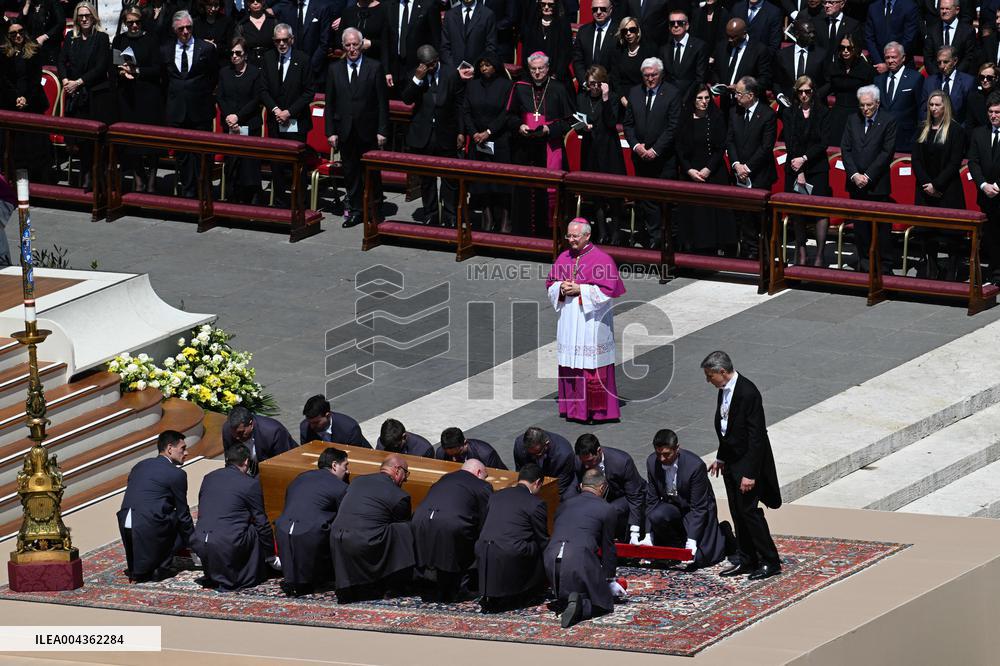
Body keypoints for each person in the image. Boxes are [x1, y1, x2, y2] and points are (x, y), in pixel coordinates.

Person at [702, 351, 782, 581]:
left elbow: (756, 436)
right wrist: (720, 457)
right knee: (738, 512)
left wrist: (750, 474)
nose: (709, 381)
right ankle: (747, 559)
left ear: (723, 372)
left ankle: (770, 560)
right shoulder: (724, 391)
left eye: (710, 376)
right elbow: (728, 429)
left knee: (750, 513)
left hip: (748, 466)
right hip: (731, 463)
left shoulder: (748, 392)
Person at [545, 218, 626, 422]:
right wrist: (560, 287)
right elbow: (550, 283)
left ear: (587, 236)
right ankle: (572, 409)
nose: (571, 240)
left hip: (591, 321)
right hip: (569, 318)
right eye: (569, 236)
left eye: (575, 236)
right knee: (570, 363)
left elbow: (609, 290)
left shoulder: (602, 259)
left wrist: (580, 288)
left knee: (591, 364)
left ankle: (595, 411)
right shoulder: (564, 257)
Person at [641, 429, 734, 570]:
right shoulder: (652, 462)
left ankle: (723, 533)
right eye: (658, 454)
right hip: (672, 505)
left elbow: (699, 508)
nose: (662, 459)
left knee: (701, 559)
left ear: (677, 448)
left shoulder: (695, 466)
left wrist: (692, 541)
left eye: (666, 454)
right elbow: (652, 500)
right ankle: (676, 544)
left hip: (694, 509)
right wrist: (648, 535)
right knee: (656, 515)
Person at [325, 27, 389, 229]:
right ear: (343, 46)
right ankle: (355, 210)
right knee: (351, 173)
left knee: (371, 173)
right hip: (346, 130)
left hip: (368, 130)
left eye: (355, 44)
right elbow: (330, 103)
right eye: (348, 45)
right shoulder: (334, 69)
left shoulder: (375, 67)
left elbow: (382, 102)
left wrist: (382, 130)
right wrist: (331, 132)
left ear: (361, 45)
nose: (352, 49)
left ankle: (375, 210)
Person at [330, 454, 415, 602]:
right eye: (405, 473)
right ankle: (396, 582)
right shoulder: (400, 496)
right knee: (405, 529)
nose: (406, 479)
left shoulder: (357, 481)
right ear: (397, 470)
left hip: (336, 536)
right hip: (364, 540)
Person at [401, 44, 469, 228]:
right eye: (426, 65)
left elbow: (459, 105)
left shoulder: (450, 74)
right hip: (423, 134)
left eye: (432, 64)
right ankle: (430, 213)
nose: (430, 68)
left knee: (449, 177)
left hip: (446, 132)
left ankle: (450, 215)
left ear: (437, 60)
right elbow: (407, 99)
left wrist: (461, 131)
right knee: (427, 178)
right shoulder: (415, 74)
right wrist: (417, 79)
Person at [193, 444, 277, 590]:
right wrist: (270, 555)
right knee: (255, 529)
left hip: (199, 539)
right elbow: (261, 523)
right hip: (226, 542)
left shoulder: (209, 478)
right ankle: (250, 573)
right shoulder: (250, 484)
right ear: (246, 461)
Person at [507, 51, 574, 236]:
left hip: (549, 148)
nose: (537, 72)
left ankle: (548, 236)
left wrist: (549, 130)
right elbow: (509, 116)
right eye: (533, 69)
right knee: (524, 193)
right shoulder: (520, 87)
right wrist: (519, 125)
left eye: (540, 69)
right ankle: (523, 234)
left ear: (547, 68)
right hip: (524, 149)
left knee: (548, 194)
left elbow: (569, 120)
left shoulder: (558, 88)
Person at [543, 468, 619, 628]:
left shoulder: (564, 505)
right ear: (603, 488)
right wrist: (609, 580)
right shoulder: (606, 508)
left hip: (550, 560)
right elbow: (608, 548)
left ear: (581, 485)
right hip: (577, 558)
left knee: (567, 592)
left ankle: (570, 599)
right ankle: (582, 606)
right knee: (603, 603)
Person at [116, 430, 194, 583]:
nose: (187, 452)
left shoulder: (140, 465)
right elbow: (183, 513)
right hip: (147, 524)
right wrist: (194, 541)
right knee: (179, 520)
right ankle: (160, 566)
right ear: (170, 448)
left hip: (125, 521)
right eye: (183, 448)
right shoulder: (176, 474)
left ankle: (141, 567)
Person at [411, 458, 492, 601]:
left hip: (421, 519)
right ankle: (461, 588)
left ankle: (429, 584)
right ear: (479, 472)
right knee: (478, 538)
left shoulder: (444, 478)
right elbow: (486, 518)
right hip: (452, 521)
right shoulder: (482, 486)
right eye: (485, 476)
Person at [622, 58, 681, 249]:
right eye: (646, 75)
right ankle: (654, 238)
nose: (650, 79)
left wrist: (655, 150)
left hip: (664, 159)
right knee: (647, 200)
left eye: (653, 75)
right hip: (641, 157)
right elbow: (628, 124)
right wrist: (636, 146)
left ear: (661, 74)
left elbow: (673, 127)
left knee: (665, 200)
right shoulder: (635, 92)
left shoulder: (672, 93)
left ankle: (668, 238)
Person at [275, 446, 349, 596]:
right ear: (334, 465)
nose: (347, 471)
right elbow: (345, 520)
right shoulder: (341, 488)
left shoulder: (300, 477)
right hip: (310, 534)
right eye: (345, 466)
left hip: (282, 530)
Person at [475, 463, 549, 612]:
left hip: (483, 546)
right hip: (510, 550)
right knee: (539, 545)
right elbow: (543, 539)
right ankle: (528, 590)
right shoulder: (536, 504)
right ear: (538, 483)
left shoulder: (496, 495)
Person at [161, 10, 217, 199]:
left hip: (200, 109)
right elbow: (164, 78)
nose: (185, 31)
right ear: (174, 30)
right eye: (181, 28)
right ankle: (188, 192)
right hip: (178, 110)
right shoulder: (166, 49)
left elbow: (213, 76)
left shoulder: (206, 49)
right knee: (183, 155)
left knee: (202, 154)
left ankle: (204, 191)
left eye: (188, 27)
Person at [841, 84, 897, 273]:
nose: (865, 109)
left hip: (877, 184)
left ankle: (884, 265)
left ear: (877, 103)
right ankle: (865, 263)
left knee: (881, 229)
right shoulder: (852, 120)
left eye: (869, 105)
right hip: (856, 184)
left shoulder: (888, 121)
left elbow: (886, 152)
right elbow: (845, 149)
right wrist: (855, 175)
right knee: (861, 228)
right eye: (862, 105)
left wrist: (868, 176)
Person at [58, 1, 112, 192]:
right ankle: (86, 173)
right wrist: (65, 79)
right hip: (75, 95)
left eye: (87, 15)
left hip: (95, 96)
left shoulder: (102, 38)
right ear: (76, 19)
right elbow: (61, 60)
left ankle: (96, 178)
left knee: (94, 140)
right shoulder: (72, 39)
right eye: (80, 16)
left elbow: (101, 67)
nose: (84, 19)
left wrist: (78, 82)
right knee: (80, 140)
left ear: (93, 17)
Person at [912, 91, 967, 280]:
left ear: (946, 107)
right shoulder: (922, 128)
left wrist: (936, 185)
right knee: (927, 231)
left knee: (951, 232)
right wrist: (926, 183)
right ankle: (932, 267)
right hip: (925, 189)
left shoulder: (956, 130)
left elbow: (954, 162)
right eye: (931, 105)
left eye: (937, 105)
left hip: (947, 189)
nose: (934, 108)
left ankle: (952, 269)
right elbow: (916, 159)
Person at [676, 83, 735, 255]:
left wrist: (708, 169)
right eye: (700, 98)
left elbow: (720, 147)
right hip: (691, 171)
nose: (704, 102)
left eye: (707, 98)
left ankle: (714, 248)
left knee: (713, 213)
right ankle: (693, 248)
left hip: (713, 170)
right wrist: (688, 170)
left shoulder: (716, 117)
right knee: (694, 212)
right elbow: (679, 147)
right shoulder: (684, 118)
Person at [260, 23, 314, 208]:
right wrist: (276, 110)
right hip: (275, 120)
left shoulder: (303, 59)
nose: (282, 44)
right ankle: (280, 201)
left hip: (296, 121)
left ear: (292, 40)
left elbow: (309, 92)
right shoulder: (268, 58)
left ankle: (299, 200)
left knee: (296, 163)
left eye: (285, 40)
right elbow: (263, 89)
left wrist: (289, 112)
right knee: (276, 163)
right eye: (278, 41)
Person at [782, 75, 832, 267]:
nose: (804, 95)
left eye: (807, 91)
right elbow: (790, 141)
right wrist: (799, 169)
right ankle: (801, 252)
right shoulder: (789, 112)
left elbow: (823, 142)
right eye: (800, 92)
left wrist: (804, 159)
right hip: (795, 166)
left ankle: (819, 255)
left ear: (813, 92)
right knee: (798, 211)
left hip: (816, 166)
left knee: (820, 211)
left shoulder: (822, 112)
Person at [112, 8, 163, 194]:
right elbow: (115, 65)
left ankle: (151, 181)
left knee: (150, 142)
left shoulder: (151, 39)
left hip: (148, 95)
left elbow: (158, 68)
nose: (134, 25)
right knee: (131, 141)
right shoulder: (119, 40)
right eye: (130, 22)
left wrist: (137, 71)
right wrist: (122, 71)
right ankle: (139, 178)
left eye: (137, 22)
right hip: (128, 95)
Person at [575, 64, 627, 246]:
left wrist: (605, 98)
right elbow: (576, 119)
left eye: (598, 84)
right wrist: (583, 125)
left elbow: (612, 122)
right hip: (590, 149)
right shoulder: (582, 98)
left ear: (604, 84)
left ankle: (616, 233)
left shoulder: (611, 98)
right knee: (596, 194)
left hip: (609, 149)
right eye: (591, 84)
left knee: (613, 194)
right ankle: (602, 232)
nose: (595, 87)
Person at [726, 76, 777, 260]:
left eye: (739, 94)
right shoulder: (734, 112)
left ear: (751, 95)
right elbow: (730, 140)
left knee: (759, 216)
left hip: (759, 174)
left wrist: (747, 167)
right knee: (743, 214)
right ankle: (748, 250)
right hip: (739, 173)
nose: (736, 97)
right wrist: (736, 164)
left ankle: (763, 252)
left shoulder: (767, 114)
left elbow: (766, 147)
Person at [462, 52, 513, 233]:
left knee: (501, 181)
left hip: (498, 139)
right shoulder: (472, 85)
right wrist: (474, 132)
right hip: (478, 140)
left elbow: (506, 113)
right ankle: (487, 215)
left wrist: (489, 131)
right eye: (482, 65)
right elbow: (466, 111)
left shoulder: (506, 85)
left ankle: (505, 218)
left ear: (495, 66)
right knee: (481, 181)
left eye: (488, 65)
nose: (484, 68)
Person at [1, 17, 50, 183]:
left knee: (34, 145)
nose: (18, 36)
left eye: (20, 32)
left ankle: (37, 179)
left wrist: (25, 99)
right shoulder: (3, 53)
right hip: (10, 102)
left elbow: (35, 79)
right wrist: (16, 98)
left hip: (32, 100)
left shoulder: (34, 50)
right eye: (13, 33)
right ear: (8, 36)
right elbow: (4, 80)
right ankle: (12, 178)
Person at [573, 433, 645, 543]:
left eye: (590, 461)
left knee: (610, 509)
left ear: (599, 451)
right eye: (584, 462)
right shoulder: (579, 462)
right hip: (600, 496)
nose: (586, 466)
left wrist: (635, 531)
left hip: (624, 495)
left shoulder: (622, 462)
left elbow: (635, 496)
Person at [217, 36, 263, 203]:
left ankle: (252, 196)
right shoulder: (224, 72)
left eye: (238, 53)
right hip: (230, 124)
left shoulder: (255, 73)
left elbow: (256, 99)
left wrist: (238, 116)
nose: (234, 56)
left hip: (249, 123)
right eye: (232, 53)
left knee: (248, 164)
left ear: (245, 55)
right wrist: (229, 116)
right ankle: (233, 196)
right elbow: (220, 97)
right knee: (232, 163)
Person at [967, 92, 1000, 283]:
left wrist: (997, 185)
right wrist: (983, 184)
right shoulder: (980, 133)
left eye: (997, 112)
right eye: (991, 112)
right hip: (986, 195)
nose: (994, 115)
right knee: (991, 237)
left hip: (999, 192)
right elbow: (973, 162)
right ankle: (994, 273)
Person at [711, 19, 772, 116]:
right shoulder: (722, 47)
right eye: (728, 36)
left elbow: (765, 80)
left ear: (744, 34)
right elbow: (715, 71)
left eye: (733, 37)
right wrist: (718, 85)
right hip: (725, 105)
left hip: (748, 106)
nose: (730, 40)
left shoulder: (759, 50)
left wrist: (741, 89)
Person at [824, 33, 874, 144]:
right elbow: (827, 87)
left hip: (857, 114)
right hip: (837, 114)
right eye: (842, 48)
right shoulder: (834, 66)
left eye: (849, 48)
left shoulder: (866, 70)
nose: (845, 51)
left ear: (856, 49)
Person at [385, 0, 441, 96]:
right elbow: (386, 40)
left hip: (418, 69)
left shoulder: (428, 4)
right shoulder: (389, 5)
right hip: (394, 69)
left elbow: (436, 39)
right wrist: (386, 71)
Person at [223, 405, 298, 476]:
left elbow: (282, 465)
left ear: (251, 424)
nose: (236, 437)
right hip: (255, 469)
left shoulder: (273, 432)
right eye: (233, 433)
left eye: (240, 433)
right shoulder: (227, 430)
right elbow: (231, 462)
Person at [875, 41, 923, 152]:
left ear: (903, 58)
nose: (890, 61)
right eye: (887, 57)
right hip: (882, 138)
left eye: (894, 57)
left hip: (906, 137)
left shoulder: (915, 78)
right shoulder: (878, 80)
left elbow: (921, 109)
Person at [520, 0, 573, 93]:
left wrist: (555, 76)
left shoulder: (563, 25)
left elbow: (566, 53)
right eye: (543, 4)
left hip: (556, 76)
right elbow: (526, 50)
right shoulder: (532, 23)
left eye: (550, 4)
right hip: (534, 74)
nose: (546, 7)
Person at [773, 17, 828, 104]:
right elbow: (776, 81)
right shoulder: (782, 55)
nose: (812, 35)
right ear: (797, 34)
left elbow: (828, 82)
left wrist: (815, 97)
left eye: (813, 32)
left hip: (814, 105)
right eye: (808, 33)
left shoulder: (821, 54)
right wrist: (780, 96)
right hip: (789, 105)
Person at [513, 425, 577, 498]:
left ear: (547, 444)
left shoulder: (564, 454)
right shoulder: (519, 445)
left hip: (559, 482)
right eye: (530, 454)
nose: (534, 457)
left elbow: (561, 485)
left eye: (538, 454)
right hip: (533, 483)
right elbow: (521, 473)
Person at [608, 16, 656, 108]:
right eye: (625, 31)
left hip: (644, 98)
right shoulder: (618, 51)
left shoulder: (649, 50)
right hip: (623, 100)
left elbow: (653, 77)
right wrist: (623, 99)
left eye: (632, 30)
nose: (628, 33)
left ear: (638, 31)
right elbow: (615, 78)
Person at [659, 9, 707, 99]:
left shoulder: (699, 46)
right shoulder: (664, 49)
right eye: (672, 23)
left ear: (687, 25)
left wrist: (688, 97)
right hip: (669, 98)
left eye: (680, 23)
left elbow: (700, 78)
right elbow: (663, 76)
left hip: (690, 98)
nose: (676, 25)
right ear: (669, 27)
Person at [922, 45, 974, 126]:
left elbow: (970, 114)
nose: (942, 66)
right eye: (939, 62)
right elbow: (924, 110)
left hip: (958, 131)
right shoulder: (929, 82)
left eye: (946, 62)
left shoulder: (967, 82)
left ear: (955, 61)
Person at [571, 0, 617, 91]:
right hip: (586, 90)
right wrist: (585, 82)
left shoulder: (618, 32)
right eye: (595, 9)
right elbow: (577, 60)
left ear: (610, 10)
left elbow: (619, 64)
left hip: (610, 90)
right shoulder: (583, 31)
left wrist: (605, 84)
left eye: (603, 9)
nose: (598, 12)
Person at [922, 0, 976, 77]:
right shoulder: (932, 30)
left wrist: (954, 76)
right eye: (941, 9)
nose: (944, 11)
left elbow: (969, 57)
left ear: (957, 10)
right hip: (937, 78)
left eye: (947, 9)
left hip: (959, 78)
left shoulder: (967, 31)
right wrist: (938, 76)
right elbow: (928, 58)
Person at [864, 0, 918, 73]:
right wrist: (879, 62)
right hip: (878, 66)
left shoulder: (909, 6)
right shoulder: (873, 7)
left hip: (902, 66)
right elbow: (869, 38)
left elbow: (909, 38)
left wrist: (890, 63)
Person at [338, 0, 391, 73]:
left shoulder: (385, 10)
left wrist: (371, 43)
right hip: (352, 65)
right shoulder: (348, 12)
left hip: (375, 64)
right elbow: (339, 40)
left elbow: (389, 42)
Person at [440, 0, 497, 68]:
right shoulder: (449, 15)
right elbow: (444, 47)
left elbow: (491, 46)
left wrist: (480, 67)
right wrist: (455, 69)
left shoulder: (487, 14)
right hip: (454, 72)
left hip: (478, 72)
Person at [299, 394, 371, 448]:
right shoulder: (305, 428)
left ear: (328, 415)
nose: (311, 426)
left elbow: (356, 455)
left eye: (316, 423)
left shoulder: (349, 429)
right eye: (309, 422)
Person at [436, 426, 507, 468]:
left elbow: (499, 474)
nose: (454, 459)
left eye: (457, 454)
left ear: (465, 443)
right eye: (450, 455)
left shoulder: (486, 454)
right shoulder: (441, 453)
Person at [235, 0, 276, 68]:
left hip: (271, 63)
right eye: (251, 1)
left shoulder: (273, 21)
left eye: (258, 0)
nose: (255, 3)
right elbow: (238, 47)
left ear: (263, 2)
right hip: (250, 65)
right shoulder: (242, 25)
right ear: (248, 3)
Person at [21, 0, 63, 65]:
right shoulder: (28, 4)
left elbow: (61, 23)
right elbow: (19, 24)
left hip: (49, 45)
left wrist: (44, 37)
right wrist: (27, 4)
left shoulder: (53, 2)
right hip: (31, 46)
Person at [192, 0, 234, 66]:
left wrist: (215, 46)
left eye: (216, 5)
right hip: (201, 63)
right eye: (210, 5)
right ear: (204, 5)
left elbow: (230, 45)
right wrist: (203, 44)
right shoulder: (196, 22)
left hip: (221, 61)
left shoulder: (227, 22)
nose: (213, 9)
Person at [966, 63, 998, 131]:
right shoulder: (973, 98)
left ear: (996, 78)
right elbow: (970, 124)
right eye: (982, 77)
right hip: (979, 137)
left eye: (989, 78)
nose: (985, 80)